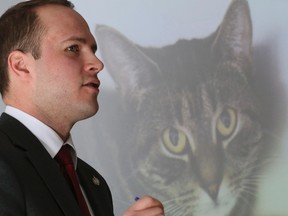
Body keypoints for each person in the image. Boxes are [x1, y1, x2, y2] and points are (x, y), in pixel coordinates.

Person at [0, 0, 164, 215]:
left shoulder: (92, 182)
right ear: (21, 65)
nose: (97, 63)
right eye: (73, 48)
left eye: (93, 49)